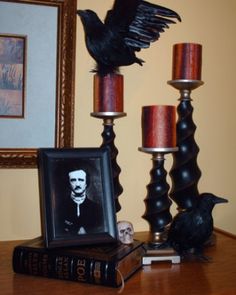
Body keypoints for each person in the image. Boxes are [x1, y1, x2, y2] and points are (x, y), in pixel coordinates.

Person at [61, 168, 104, 235]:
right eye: (73, 180)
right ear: (69, 184)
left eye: (81, 180)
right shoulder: (59, 208)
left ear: (86, 183)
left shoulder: (97, 208)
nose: (77, 184)